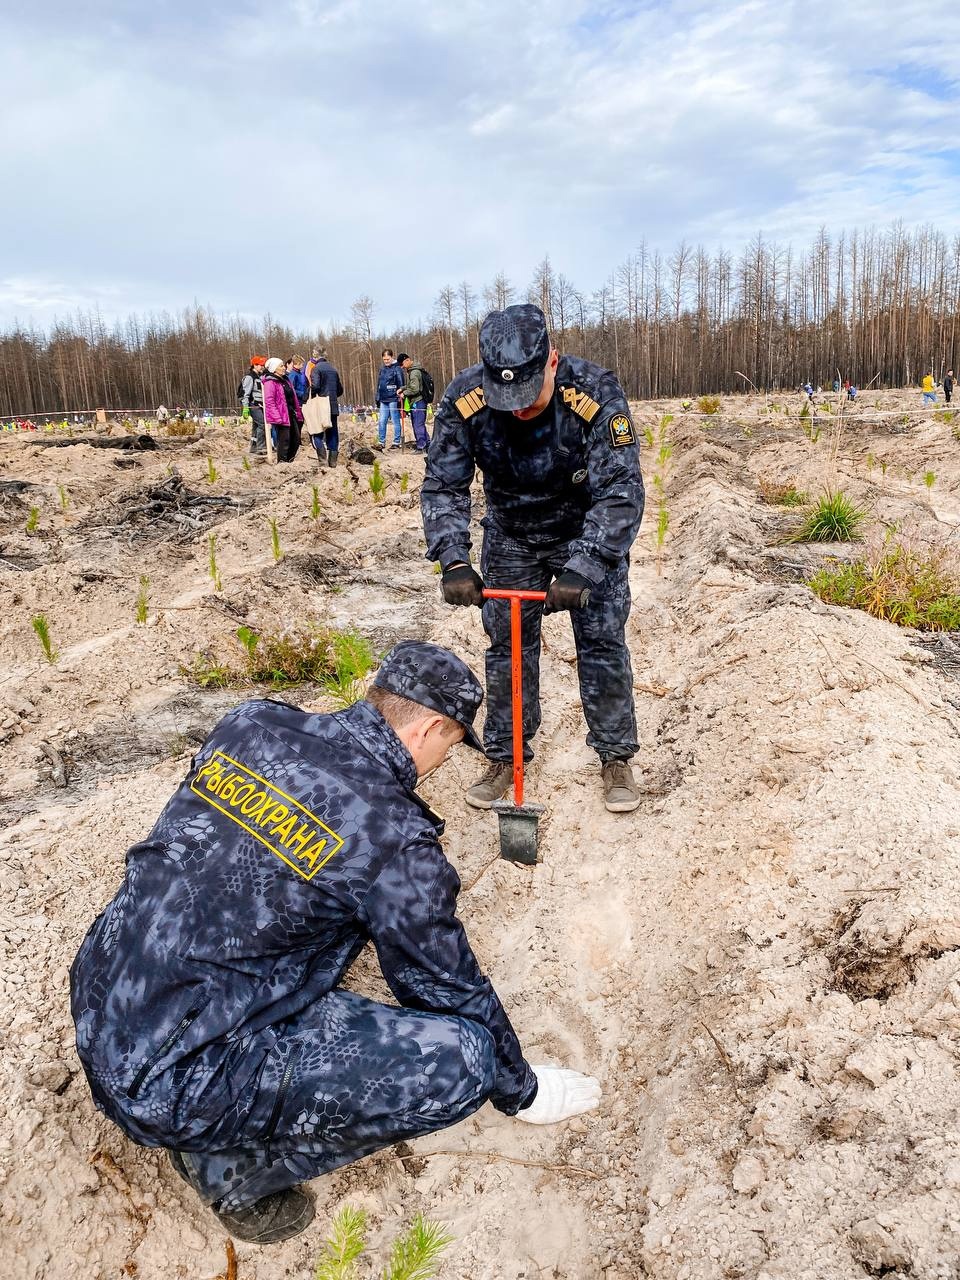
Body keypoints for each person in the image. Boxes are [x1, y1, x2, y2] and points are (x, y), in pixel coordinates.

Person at [69, 642, 600, 1245]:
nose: (442, 762)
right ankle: (231, 1170)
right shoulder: (396, 840)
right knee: (465, 1060)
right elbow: (443, 983)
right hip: (175, 1080)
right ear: (429, 729)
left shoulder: (251, 723)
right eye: (450, 747)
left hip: (101, 996)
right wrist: (520, 1088)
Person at [421, 303, 645, 814]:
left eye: (527, 395)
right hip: (511, 534)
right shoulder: (465, 401)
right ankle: (506, 755)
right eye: (507, 399)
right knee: (507, 647)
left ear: (551, 360)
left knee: (603, 643)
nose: (518, 409)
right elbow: (443, 485)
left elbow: (621, 492)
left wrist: (585, 565)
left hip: (583, 528)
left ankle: (615, 756)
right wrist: (454, 559)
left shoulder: (593, 393)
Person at [308, 347, 345, 467]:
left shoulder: (315, 369)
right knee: (333, 433)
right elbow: (340, 390)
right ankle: (333, 462)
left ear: (315, 356)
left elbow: (316, 386)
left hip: (321, 406)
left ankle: (322, 461)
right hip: (333, 405)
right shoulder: (333, 370)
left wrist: (308, 394)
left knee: (317, 431)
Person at [262, 356, 303, 462]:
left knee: (296, 439)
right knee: (284, 440)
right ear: (274, 369)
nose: (284, 368)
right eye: (281, 366)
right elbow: (269, 401)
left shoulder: (285, 380)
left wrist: (297, 411)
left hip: (291, 413)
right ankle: (282, 462)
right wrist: (277, 417)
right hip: (281, 415)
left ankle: (289, 460)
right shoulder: (270, 382)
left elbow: (292, 396)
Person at [399, 353, 430, 453]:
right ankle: (428, 444)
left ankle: (421, 446)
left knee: (417, 424)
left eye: (402, 364)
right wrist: (402, 388)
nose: (402, 367)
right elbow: (411, 385)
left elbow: (415, 389)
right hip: (418, 401)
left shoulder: (414, 372)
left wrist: (404, 393)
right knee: (420, 424)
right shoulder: (413, 371)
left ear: (407, 360)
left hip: (418, 401)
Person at [375, 348, 405, 450]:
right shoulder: (382, 369)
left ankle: (396, 442)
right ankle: (381, 442)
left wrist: (400, 393)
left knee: (395, 420)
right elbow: (379, 384)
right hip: (383, 399)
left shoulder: (397, 369)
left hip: (393, 398)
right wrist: (377, 397)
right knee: (382, 421)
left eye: (388, 359)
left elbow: (401, 384)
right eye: (384, 359)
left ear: (392, 357)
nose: (386, 361)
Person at [240, 356, 267, 455]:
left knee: (256, 426)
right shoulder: (249, 377)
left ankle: (254, 447)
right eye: (260, 365)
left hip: (260, 405)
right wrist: (246, 408)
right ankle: (261, 446)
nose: (262, 367)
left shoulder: (259, 377)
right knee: (262, 424)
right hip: (253, 405)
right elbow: (245, 394)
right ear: (254, 365)